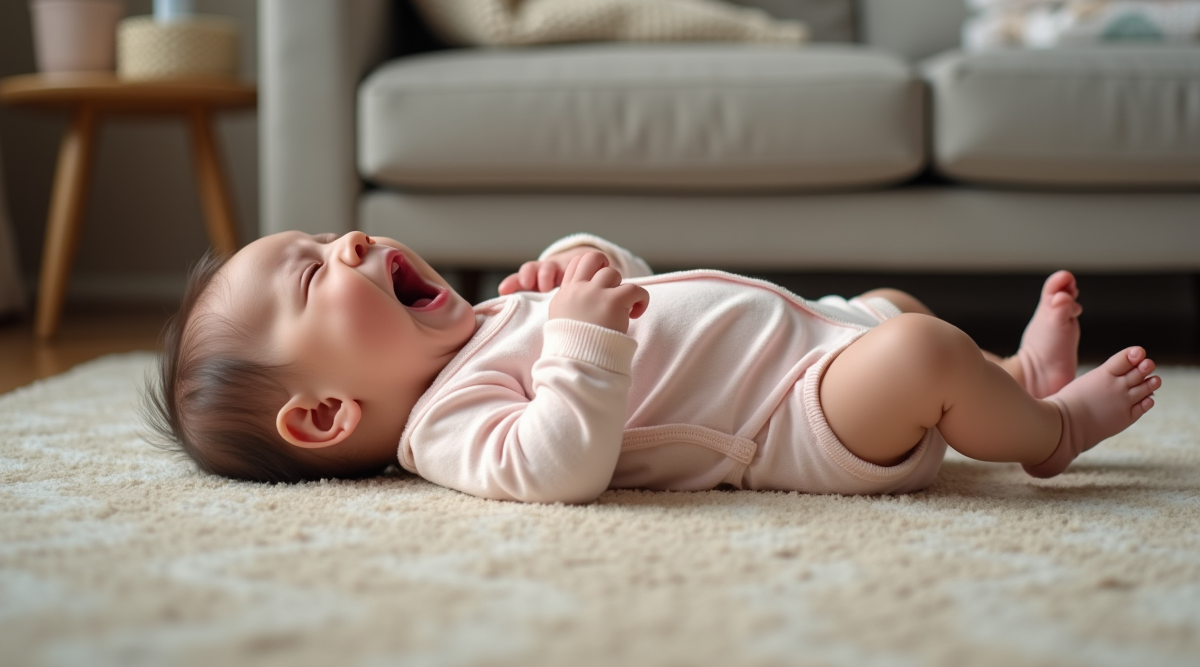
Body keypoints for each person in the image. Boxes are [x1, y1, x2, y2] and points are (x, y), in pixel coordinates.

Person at [143, 231, 1159, 502]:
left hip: (815, 333)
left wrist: (592, 266)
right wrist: (580, 337)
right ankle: (1052, 433)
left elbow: (641, 300)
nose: (354, 239)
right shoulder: (443, 424)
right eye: (317, 270)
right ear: (325, 414)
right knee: (920, 350)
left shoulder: (489, 317)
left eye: (332, 233)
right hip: (792, 418)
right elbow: (560, 464)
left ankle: (1015, 380)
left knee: (896, 308)